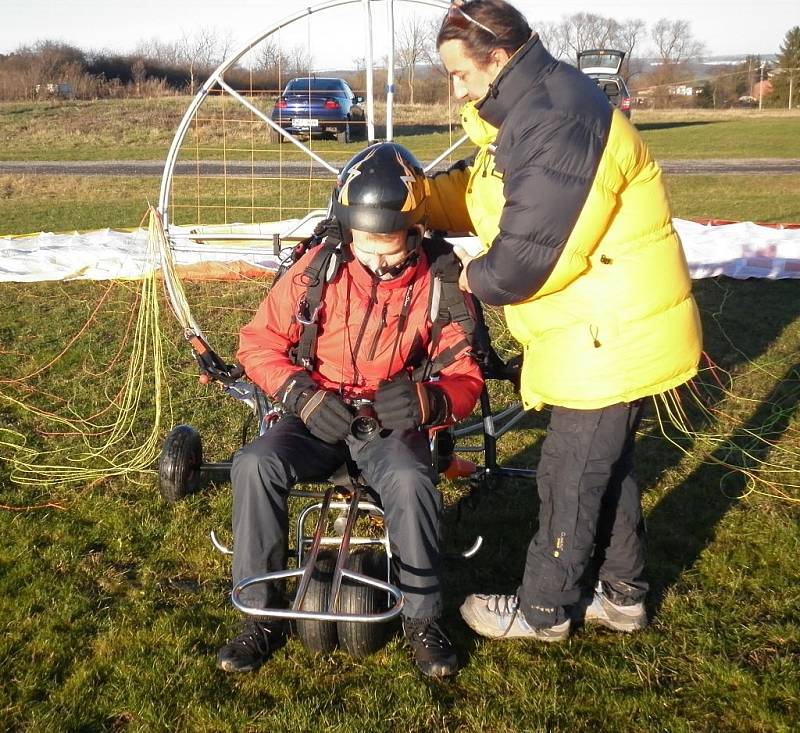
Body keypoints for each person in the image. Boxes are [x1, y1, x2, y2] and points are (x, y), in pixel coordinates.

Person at [425, 0, 703, 641]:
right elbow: (492, 191)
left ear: (496, 59)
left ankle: (544, 609)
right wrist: (424, 200)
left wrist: (469, 277)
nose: (457, 88)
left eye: (461, 74)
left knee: (569, 476)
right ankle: (623, 596)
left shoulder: (559, 119)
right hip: (601, 327)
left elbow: (524, 260)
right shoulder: (531, 108)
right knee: (606, 470)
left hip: (609, 332)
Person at [216, 142, 483, 677]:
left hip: (389, 422)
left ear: (414, 233)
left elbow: (466, 376)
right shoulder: (318, 270)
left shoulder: (442, 282)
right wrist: (300, 396)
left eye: (388, 248)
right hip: (315, 413)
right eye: (365, 245)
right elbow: (257, 344)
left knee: (410, 480)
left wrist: (429, 400)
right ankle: (261, 615)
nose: (377, 261)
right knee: (253, 463)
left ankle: (422, 620)